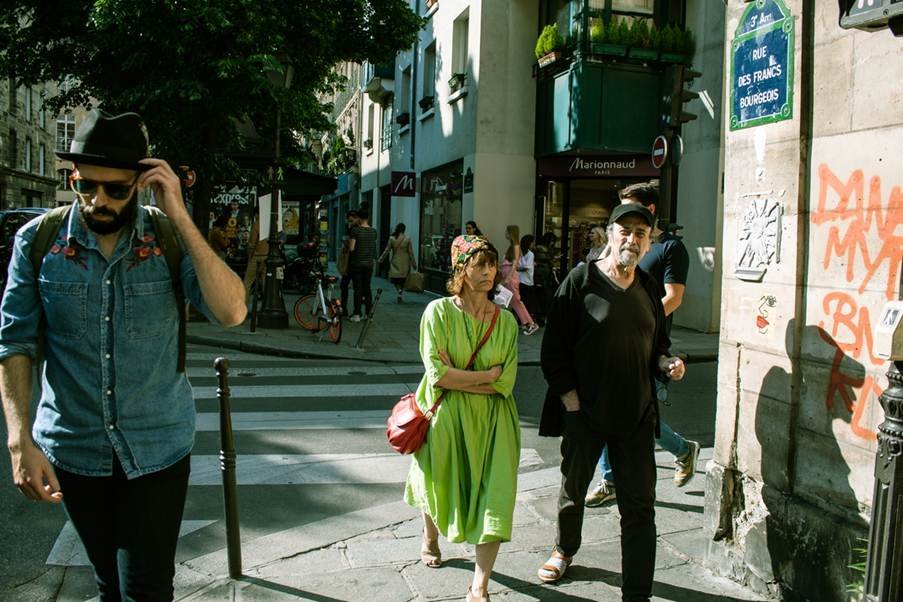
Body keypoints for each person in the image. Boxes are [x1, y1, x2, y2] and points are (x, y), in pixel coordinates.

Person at [0, 110, 247, 599]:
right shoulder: (38, 242)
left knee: (148, 587)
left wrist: (178, 212)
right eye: (87, 185)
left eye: (116, 189)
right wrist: (18, 440)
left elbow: (232, 311)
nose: (99, 200)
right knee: (108, 583)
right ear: (73, 178)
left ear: (139, 182)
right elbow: (16, 342)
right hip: (73, 447)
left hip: (157, 448)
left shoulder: (169, 239)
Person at [536, 201, 686, 601]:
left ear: (649, 240)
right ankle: (564, 548)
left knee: (639, 509)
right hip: (585, 413)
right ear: (610, 234)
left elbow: (658, 346)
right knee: (574, 487)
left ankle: (636, 593)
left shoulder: (650, 288)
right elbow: (553, 350)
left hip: (636, 416)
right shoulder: (580, 280)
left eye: (641, 233)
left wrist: (667, 363)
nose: (632, 239)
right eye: (625, 231)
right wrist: (570, 400)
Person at [404, 235, 520, 602]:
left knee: (495, 499)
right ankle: (430, 537)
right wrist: (485, 376)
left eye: (491, 264)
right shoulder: (437, 312)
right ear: (461, 269)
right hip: (446, 418)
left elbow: (507, 382)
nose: (488, 272)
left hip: (496, 423)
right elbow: (438, 375)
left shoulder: (506, 321)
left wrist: (465, 378)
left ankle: (479, 585)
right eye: (479, 264)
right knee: (438, 486)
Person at [585, 183, 698, 508]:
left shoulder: (670, 248)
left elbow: (673, 297)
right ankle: (611, 479)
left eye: (629, 208)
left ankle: (680, 450)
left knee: (637, 415)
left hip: (645, 344)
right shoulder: (619, 243)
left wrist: (634, 320)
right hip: (609, 344)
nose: (621, 217)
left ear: (648, 211)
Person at [500, 225, 539, 335]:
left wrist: (508, 277)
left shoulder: (516, 246)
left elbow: (515, 263)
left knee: (515, 301)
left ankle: (530, 324)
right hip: (508, 276)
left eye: (507, 232)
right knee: (510, 301)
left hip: (511, 277)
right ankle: (526, 323)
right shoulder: (513, 246)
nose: (505, 234)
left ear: (510, 233)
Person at [348, 208, 378, 322]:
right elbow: (373, 248)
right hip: (369, 264)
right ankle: (368, 315)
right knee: (367, 288)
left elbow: (352, 248)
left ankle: (357, 314)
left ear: (359, 218)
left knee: (358, 289)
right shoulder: (373, 231)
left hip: (357, 264)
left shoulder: (355, 231)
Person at [378, 222, 417, 303]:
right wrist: (414, 264)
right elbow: (411, 253)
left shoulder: (392, 238)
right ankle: (400, 292)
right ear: (404, 230)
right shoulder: (407, 239)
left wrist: (381, 259)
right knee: (402, 279)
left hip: (395, 261)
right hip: (405, 262)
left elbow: (386, 250)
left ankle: (398, 290)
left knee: (394, 279)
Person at [242, 209, 269, 297]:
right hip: (268, 256)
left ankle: (243, 306)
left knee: (248, 282)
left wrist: (249, 253)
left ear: (257, 214)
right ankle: (266, 305)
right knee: (266, 282)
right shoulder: (270, 224)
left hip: (256, 255)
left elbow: (252, 242)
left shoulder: (256, 224)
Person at [338, 210, 359, 313]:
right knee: (346, 285)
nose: (350, 222)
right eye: (349, 220)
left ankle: (348, 309)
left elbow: (351, 246)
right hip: (351, 261)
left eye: (351, 220)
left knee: (346, 285)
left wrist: (346, 243)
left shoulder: (355, 230)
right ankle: (348, 308)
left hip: (352, 261)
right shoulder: (352, 228)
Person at [517, 234, 537, 316]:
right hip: (527, 281)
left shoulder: (519, 252)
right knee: (527, 303)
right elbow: (526, 267)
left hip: (519, 280)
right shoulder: (530, 254)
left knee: (520, 301)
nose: (534, 244)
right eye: (532, 242)